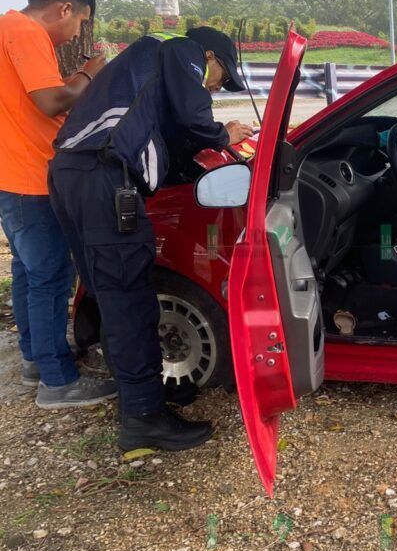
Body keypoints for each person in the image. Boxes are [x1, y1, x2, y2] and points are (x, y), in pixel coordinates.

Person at [49, 27, 254, 451]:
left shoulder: (145, 67)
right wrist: (225, 134)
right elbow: (195, 119)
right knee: (129, 298)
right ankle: (144, 418)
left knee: (115, 297)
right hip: (103, 179)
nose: (217, 86)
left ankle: (143, 395)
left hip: (76, 176)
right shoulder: (181, 50)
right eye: (221, 76)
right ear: (210, 54)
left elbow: (168, 135)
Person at [0, 0, 112, 407]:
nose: (76, 31)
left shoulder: (9, 29)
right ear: (64, 7)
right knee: (50, 277)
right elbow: (50, 103)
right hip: (32, 178)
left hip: (13, 176)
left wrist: (74, 81)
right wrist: (90, 74)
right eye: (80, 21)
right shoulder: (25, 31)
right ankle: (57, 381)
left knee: (30, 272)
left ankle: (36, 358)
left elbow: (35, 98)